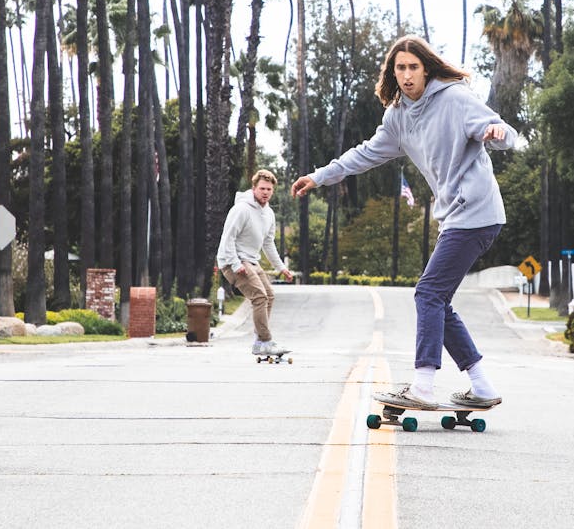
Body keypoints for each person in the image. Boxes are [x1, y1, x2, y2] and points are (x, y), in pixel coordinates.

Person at [291, 35, 517, 409]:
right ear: (393, 73)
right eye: (400, 68)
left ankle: (424, 385)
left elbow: (498, 130)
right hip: (455, 217)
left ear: (426, 69)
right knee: (438, 300)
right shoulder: (397, 117)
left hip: (476, 211)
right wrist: (320, 176)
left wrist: (497, 133)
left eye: (413, 67)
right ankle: (482, 385)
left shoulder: (457, 99)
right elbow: (364, 154)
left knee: (428, 293)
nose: (408, 75)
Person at [217, 169, 293, 356]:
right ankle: (265, 341)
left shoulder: (269, 214)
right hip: (232, 261)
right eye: (262, 189)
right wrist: (235, 264)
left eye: (269, 189)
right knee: (259, 297)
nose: (265, 192)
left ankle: (260, 341)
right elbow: (228, 239)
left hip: (251, 261)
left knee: (269, 295)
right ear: (254, 188)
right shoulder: (241, 209)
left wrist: (281, 268)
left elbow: (268, 243)